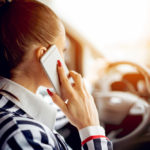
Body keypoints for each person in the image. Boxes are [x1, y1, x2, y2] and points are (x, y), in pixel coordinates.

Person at [0, 0, 113, 149]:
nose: (64, 60)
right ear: (43, 56)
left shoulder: (13, 105)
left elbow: (55, 111)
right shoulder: (24, 134)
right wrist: (91, 129)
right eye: (63, 51)